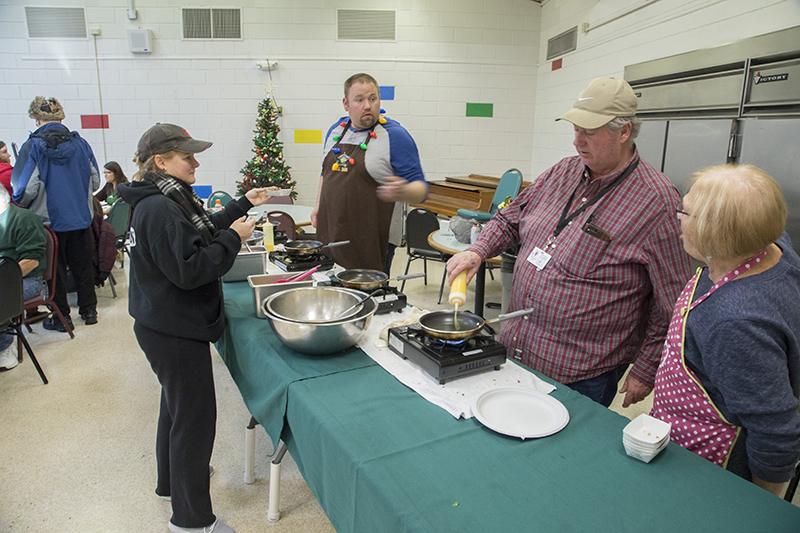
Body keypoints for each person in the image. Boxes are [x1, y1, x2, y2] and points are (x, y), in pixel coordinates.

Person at [446, 77, 691, 407]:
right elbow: (509, 218)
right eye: (575, 129)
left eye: (589, 131)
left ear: (624, 132)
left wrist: (646, 369)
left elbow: (672, 301)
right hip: (518, 347)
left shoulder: (656, 201)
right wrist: (478, 250)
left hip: (582, 374)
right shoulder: (561, 172)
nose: (578, 140)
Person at [117, 123, 272, 533]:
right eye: (187, 156)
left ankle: (171, 483)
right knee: (194, 420)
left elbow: (195, 235)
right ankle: (191, 521)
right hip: (173, 329)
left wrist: (240, 205)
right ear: (161, 161)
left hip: (161, 322)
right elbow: (192, 268)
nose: (196, 162)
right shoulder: (159, 208)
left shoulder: (166, 200)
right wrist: (234, 239)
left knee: (176, 407)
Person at [650, 164, 800, 497]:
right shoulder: (770, 244)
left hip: (713, 460)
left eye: (684, 212)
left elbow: (776, 432)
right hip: (676, 423)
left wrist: (761, 505)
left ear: (714, 234)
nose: (677, 217)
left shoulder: (734, 321)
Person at [311, 72, 428, 273]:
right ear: (346, 104)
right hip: (332, 231)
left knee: (368, 298)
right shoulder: (335, 131)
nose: (367, 105)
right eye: (360, 100)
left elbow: (422, 191)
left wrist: (405, 191)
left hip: (372, 240)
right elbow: (325, 172)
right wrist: (318, 205)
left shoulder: (395, 136)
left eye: (373, 98)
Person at [10, 96, 100, 331]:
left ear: (37, 119)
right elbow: (96, 181)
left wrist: (25, 205)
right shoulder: (81, 144)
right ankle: (89, 311)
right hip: (81, 217)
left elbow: (24, 188)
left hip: (49, 223)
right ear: (62, 118)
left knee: (55, 273)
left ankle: (62, 319)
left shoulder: (31, 146)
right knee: (83, 267)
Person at [0, 186, 46, 370]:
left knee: (2, 298)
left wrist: (4, 279)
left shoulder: (23, 219)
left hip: (26, 280)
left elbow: (31, 261)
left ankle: (4, 346)